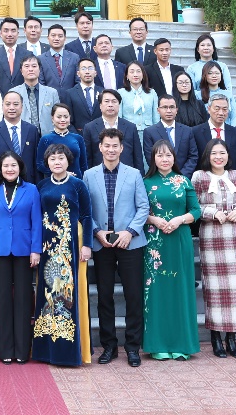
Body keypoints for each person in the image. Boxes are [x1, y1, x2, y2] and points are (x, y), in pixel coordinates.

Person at [83, 128, 149, 367]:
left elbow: (143, 207)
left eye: (115, 146)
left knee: (133, 296)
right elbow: (85, 210)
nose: (111, 150)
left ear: (122, 148)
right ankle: (109, 345)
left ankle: (132, 347)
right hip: (102, 243)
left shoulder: (133, 174)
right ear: (100, 147)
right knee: (104, 297)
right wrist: (96, 232)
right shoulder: (88, 175)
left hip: (129, 243)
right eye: (107, 146)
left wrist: (129, 232)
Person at [32, 142, 92, 367]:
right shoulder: (42, 186)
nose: (57, 162)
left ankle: (69, 351)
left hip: (71, 246)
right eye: (53, 159)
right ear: (47, 163)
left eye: (61, 159)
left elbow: (87, 216)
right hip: (48, 247)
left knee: (69, 294)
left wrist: (86, 244)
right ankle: (46, 349)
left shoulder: (78, 185)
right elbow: (37, 218)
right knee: (47, 294)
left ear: (69, 161)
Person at [140, 138, 201, 359]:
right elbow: (137, 212)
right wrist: (154, 221)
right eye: (160, 155)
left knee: (180, 290)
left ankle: (182, 345)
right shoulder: (145, 183)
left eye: (168, 155)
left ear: (174, 158)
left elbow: (196, 210)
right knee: (157, 291)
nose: (164, 159)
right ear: (153, 158)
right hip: (155, 243)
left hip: (179, 240)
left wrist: (179, 220)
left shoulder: (183, 181)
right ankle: (158, 345)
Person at [193, 138, 236, 359]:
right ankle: (216, 338)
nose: (219, 157)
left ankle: (232, 339)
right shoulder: (200, 177)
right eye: (215, 153)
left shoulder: (235, 176)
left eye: (222, 153)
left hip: (235, 236)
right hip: (212, 236)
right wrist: (211, 213)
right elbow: (194, 204)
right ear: (208, 155)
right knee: (215, 290)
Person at [0, 150, 40, 364]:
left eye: (13, 166)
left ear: (20, 168)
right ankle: (5, 350)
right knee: (2, 300)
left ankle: (23, 350)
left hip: (25, 250)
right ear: (0, 168)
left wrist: (36, 250)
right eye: (6, 166)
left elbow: (36, 222)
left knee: (24, 299)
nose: (10, 169)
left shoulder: (31, 189)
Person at [191, 91, 236, 173]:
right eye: (217, 109)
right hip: (204, 180)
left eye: (225, 109)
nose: (221, 113)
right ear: (209, 109)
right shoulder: (195, 132)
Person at [0, 90, 39, 183]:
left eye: (16, 104)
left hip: (28, 183)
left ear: (22, 107)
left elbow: (36, 162)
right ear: (2, 106)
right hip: (0, 184)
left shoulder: (32, 130)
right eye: (8, 104)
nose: (11, 108)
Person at [141, 94, 199, 179]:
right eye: (165, 107)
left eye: (172, 107)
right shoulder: (149, 132)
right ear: (158, 110)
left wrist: (181, 176)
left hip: (184, 178)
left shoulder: (187, 130)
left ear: (176, 110)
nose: (169, 111)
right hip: (160, 179)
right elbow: (151, 158)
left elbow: (193, 156)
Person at [84, 89, 143, 171]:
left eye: (114, 101)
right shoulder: (90, 128)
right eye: (107, 101)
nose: (110, 105)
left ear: (119, 105)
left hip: (127, 175)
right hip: (99, 175)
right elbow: (87, 157)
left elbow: (138, 157)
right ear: (100, 105)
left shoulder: (130, 127)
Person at [9, 55, 59, 132]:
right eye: (26, 66)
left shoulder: (52, 92)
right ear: (21, 71)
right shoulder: (13, 92)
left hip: (47, 137)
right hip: (23, 136)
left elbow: (57, 117)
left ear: (39, 70)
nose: (30, 69)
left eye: (34, 66)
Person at [36, 103, 85, 178]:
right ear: (52, 118)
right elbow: (40, 164)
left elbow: (83, 164)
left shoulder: (78, 138)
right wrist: (61, 173)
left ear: (70, 118)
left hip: (76, 181)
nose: (63, 120)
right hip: (54, 181)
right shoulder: (46, 139)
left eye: (66, 117)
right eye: (59, 117)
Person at [0, 17, 27, 93]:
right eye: (6, 31)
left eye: (13, 31)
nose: (10, 34)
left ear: (18, 34)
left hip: (23, 98)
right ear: (1, 34)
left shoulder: (27, 54)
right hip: (1, 99)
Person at [118, 60, 157, 135]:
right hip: (127, 132)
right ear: (127, 76)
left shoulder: (152, 93)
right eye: (132, 72)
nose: (135, 75)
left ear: (143, 75)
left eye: (138, 71)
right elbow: (119, 117)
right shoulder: (121, 93)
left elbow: (156, 117)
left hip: (148, 133)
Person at [143, 38, 187, 104]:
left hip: (177, 106)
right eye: (161, 50)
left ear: (170, 50)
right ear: (155, 51)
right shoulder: (147, 70)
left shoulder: (179, 70)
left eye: (167, 50)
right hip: (156, 106)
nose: (164, 53)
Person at [40, 24, 81, 92]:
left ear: (65, 38)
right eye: (53, 35)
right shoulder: (41, 59)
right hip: (50, 100)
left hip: (71, 99)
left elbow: (78, 81)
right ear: (48, 38)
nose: (56, 38)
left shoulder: (74, 57)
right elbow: (41, 83)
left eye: (60, 36)